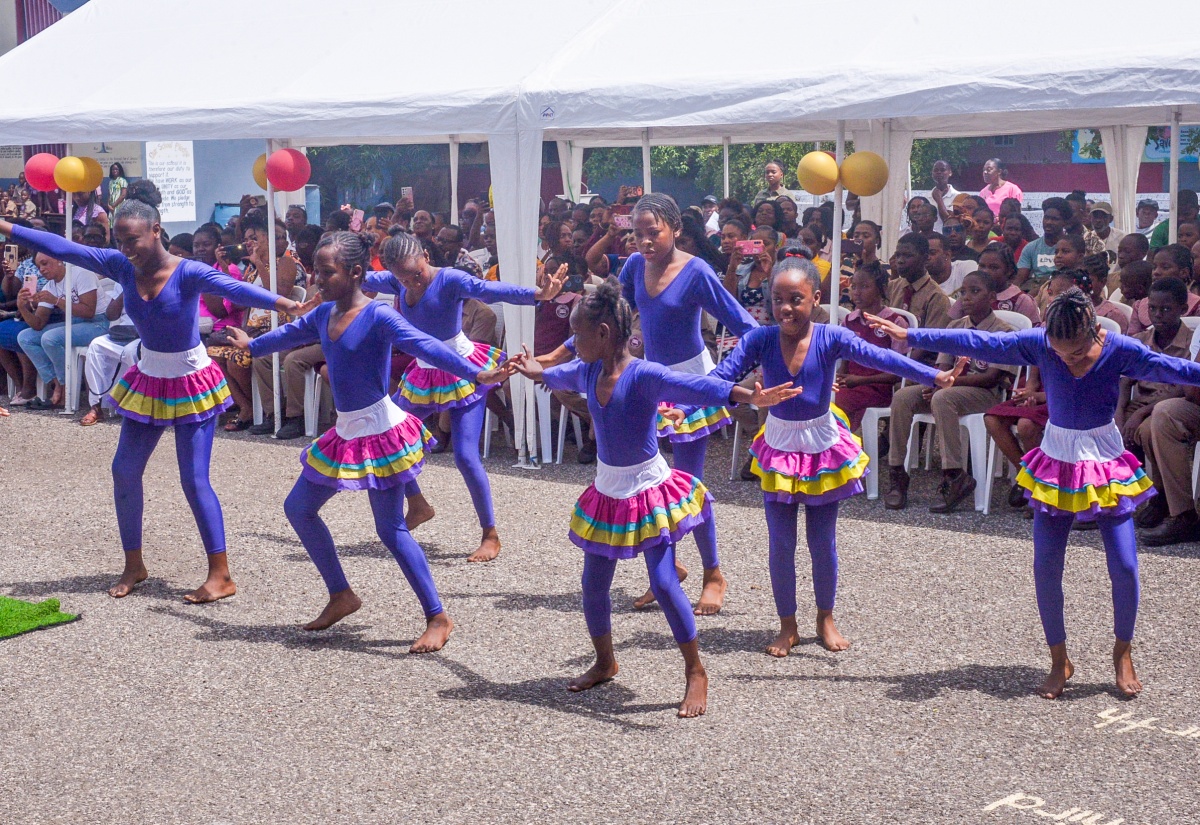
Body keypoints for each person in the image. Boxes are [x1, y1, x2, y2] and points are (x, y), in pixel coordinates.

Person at [869, 288, 1200, 700]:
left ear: (1097, 332)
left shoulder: (1121, 349)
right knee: (1046, 565)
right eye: (1060, 353)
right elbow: (977, 342)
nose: (1067, 359)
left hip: (1105, 459)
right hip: (1057, 458)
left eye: (1077, 352)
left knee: (1126, 567)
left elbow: (1175, 368)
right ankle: (1059, 658)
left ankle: (1122, 651)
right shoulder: (1039, 344)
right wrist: (913, 336)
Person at [0, 181, 308, 602]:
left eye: (134, 240)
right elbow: (64, 246)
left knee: (194, 479)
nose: (127, 248)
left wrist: (288, 306)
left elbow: (236, 289)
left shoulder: (188, 271)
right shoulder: (122, 266)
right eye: (120, 241)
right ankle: (134, 564)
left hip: (191, 380)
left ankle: (221, 574)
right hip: (149, 377)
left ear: (157, 230)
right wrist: (8, 227)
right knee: (124, 471)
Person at [510, 283, 801, 717]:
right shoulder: (586, 370)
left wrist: (748, 395)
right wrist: (530, 366)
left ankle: (696, 671)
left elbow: (695, 386)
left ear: (604, 333)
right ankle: (605, 661)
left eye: (577, 335)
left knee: (664, 584)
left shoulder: (643, 374)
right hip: (608, 491)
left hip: (647, 490)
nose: (570, 345)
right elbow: (551, 373)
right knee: (592, 587)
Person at [228, 231, 510, 647]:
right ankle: (341, 594)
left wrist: (476, 373)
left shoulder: (380, 317)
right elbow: (289, 337)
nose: (319, 281)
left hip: (381, 431)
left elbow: (428, 347)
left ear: (357, 272)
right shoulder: (323, 314)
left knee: (391, 529)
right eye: (318, 272)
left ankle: (438, 616)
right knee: (299, 508)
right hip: (346, 430)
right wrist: (254, 345)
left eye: (327, 273)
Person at [705, 256, 958, 655]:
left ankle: (825, 617)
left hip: (821, 445)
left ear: (816, 298)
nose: (786, 308)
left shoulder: (830, 336)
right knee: (780, 542)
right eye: (778, 300)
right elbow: (719, 378)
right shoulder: (760, 339)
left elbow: (884, 358)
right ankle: (787, 624)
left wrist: (933, 375)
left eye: (796, 299)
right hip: (779, 446)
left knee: (822, 540)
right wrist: (736, 397)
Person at [542, 194, 760, 615]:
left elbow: (748, 330)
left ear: (676, 229)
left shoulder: (696, 271)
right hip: (648, 383)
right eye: (637, 233)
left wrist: (720, 379)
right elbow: (605, 316)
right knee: (652, 485)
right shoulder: (635, 267)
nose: (643, 242)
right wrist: (561, 352)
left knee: (688, 488)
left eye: (653, 233)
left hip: (691, 382)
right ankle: (667, 568)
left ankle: (713, 572)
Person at [362, 232, 566, 562]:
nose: (412, 283)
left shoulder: (450, 279)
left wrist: (538, 294)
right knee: (385, 436)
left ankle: (490, 534)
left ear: (426, 254)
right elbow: (356, 278)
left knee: (465, 456)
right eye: (403, 279)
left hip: (463, 370)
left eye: (416, 274)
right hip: (424, 372)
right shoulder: (396, 280)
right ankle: (417, 504)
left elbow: (491, 290)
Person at [883, 271, 1017, 512]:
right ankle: (897, 473)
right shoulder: (955, 327)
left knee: (944, 397)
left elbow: (992, 377)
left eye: (975, 292)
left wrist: (946, 385)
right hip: (949, 389)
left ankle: (954, 475)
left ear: (992, 297)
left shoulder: (1003, 332)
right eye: (963, 292)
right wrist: (934, 383)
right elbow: (942, 367)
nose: (966, 297)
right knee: (903, 397)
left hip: (984, 394)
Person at [16, 251, 111, 409]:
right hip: (76, 322)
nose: (42, 270)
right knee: (25, 337)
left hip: (99, 323)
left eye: (45, 263)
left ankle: (66, 388)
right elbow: (38, 324)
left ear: (59, 259)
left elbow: (89, 311)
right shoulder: (50, 286)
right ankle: (58, 384)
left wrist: (56, 301)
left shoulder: (80, 273)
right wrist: (22, 307)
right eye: (39, 266)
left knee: (50, 338)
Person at [1118, 276, 1191, 462]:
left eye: (1166, 309)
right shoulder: (1141, 341)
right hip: (1139, 404)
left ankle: (1158, 488)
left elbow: (1184, 392)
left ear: (1183, 309)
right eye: (1152, 308)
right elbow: (1124, 384)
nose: (1158, 314)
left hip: (1172, 408)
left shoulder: (1191, 344)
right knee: (1107, 426)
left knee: (1147, 430)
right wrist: (1118, 416)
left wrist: (1140, 414)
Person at [835, 262, 914, 432]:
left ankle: (841, 448)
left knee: (838, 402)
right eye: (854, 286)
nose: (857, 292)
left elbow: (897, 374)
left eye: (864, 286)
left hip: (878, 388)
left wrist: (861, 380)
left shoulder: (894, 323)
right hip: (851, 384)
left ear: (881, 289)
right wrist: (840, 378)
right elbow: (844, 362)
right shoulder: (849, 321)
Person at [886, 233, 952, 365]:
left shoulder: (936, 297)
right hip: (888, 354)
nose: (900, 261)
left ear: (925, 258)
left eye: (908, 256)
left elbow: (929, 344)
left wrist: (897, 365)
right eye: (898, 255)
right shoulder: (892, 287)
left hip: (917, 365)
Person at [80, 283, 139, 426]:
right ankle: (96, 406)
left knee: (131, 351)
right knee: (95, 346)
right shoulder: (123, 281)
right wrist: (126, 291)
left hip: (147, 332)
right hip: (124, 331)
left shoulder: (157, 280)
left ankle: (134, 405)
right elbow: (111, 314)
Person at [951, 243, 1040, 328]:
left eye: (994, 267)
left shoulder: (1021, 300)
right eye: (982, 266)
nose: (985, 271)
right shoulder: (969, 294)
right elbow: (949, 325)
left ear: (1009, 271)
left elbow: (1033, 336)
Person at [1128, 245, 1200, 334]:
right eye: (1154, 267)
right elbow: (1132, 340)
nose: (1156, 272)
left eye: (1165, 267)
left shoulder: (1197, 305)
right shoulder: (1139, 305)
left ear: (1183, 272)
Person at [1016, 196, 1070, 294]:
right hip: (1035, 294)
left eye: (1054, 219)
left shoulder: (1071, 248)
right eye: (1046, 217)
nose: (1048, 222)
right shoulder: (1031, 247)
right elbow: (1020, 279)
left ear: (1065, 222)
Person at [1086, 202, 1124, 268]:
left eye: (1103, 217)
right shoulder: (1086, 238)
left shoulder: (1122, 238)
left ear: (1111, 219)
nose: (1098, 220)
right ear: (1090, 218)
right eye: (1095, 216)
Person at [928, 160, 961, 229]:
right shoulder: (926, 198)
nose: (939, 172)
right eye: (936, 170)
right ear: (932, 173)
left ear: (950, 173)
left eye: (943, 170)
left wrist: (939, 199)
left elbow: (950, 222)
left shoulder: (958, 197)